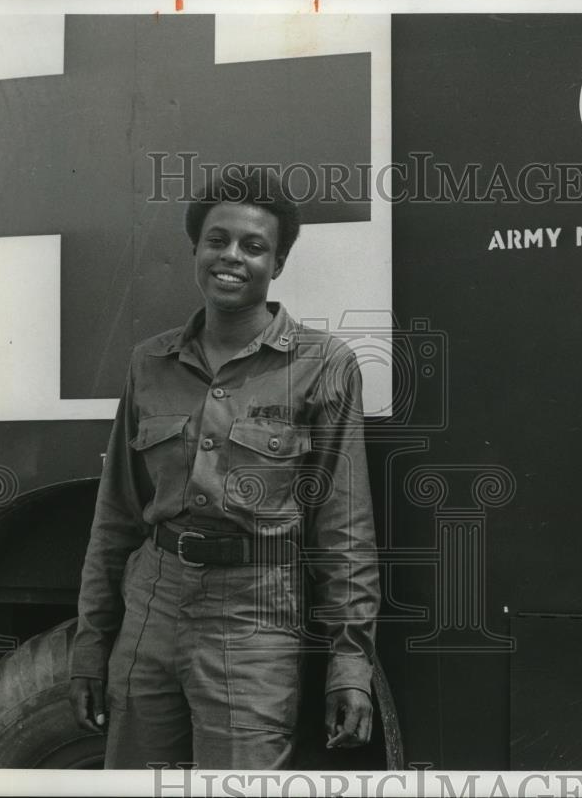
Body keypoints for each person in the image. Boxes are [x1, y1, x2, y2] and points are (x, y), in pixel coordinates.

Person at [68, 167, 380, 769]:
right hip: (151, 609)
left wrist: (351, 659)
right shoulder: (148, 364)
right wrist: (91, 645)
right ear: (196, 250)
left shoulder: (324, 365)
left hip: (255, 616)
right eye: (217, 240)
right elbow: (116, 519)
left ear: (279, 263)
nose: (231, 257)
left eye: (254, 245)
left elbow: (345, 530)